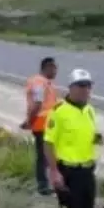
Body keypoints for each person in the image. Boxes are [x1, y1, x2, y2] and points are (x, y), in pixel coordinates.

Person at [43, 68, 104, 208]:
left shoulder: (89, 110)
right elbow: (49, 143)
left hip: (87, 169)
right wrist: (54, 172)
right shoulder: (59, 112)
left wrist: (95, 138)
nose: (85, 90)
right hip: (68, 170)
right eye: (81, 86)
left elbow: (86, 133)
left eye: (88, 86)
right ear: (71, 88)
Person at [22, 57, 58, 196]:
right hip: (42, 124)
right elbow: (38, 103)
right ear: (47, 67)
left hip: (46, 124)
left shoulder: (45, 83)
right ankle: (43, 186)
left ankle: (48, 183)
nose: (56, 71)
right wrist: (29, 121)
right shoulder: (39, 82)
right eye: (54, 68)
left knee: (47, 156)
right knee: (44, 157)